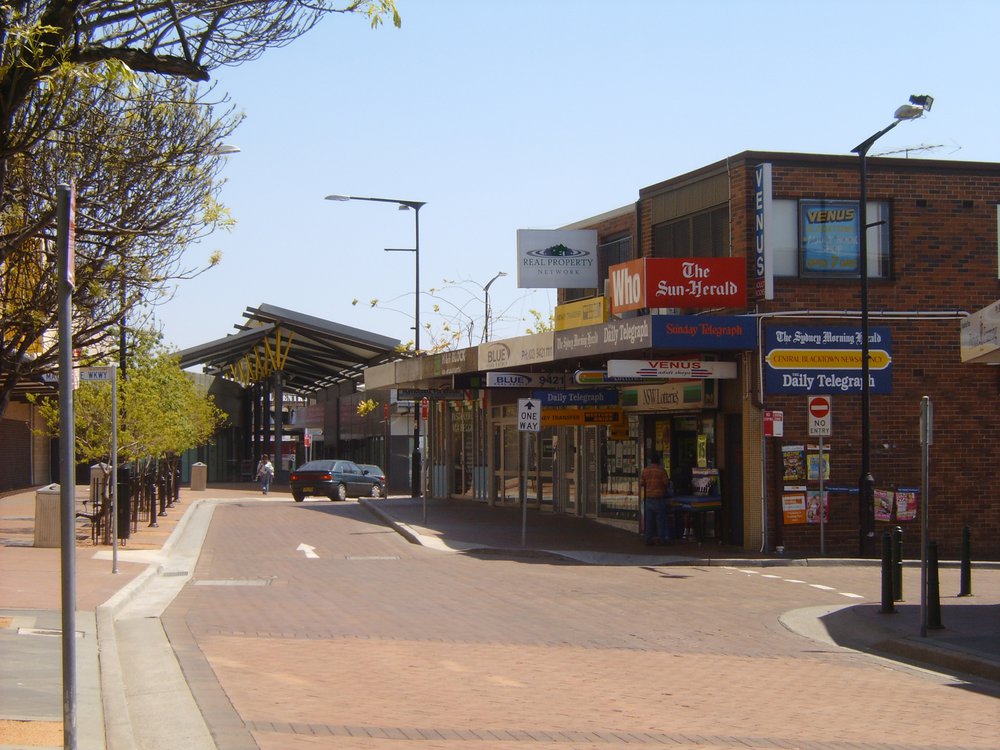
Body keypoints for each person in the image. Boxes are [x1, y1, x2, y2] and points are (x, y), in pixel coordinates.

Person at [640, 452, 673, 545]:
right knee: (661, 521)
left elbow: (641, 483)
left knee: (649, 522)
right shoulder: (661, 471)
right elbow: (666, 483)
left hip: (649, 499)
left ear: (651, 461)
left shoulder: (645, 470)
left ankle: (648, 540)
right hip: (659, 499)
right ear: (659, 461)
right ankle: (662, 540)